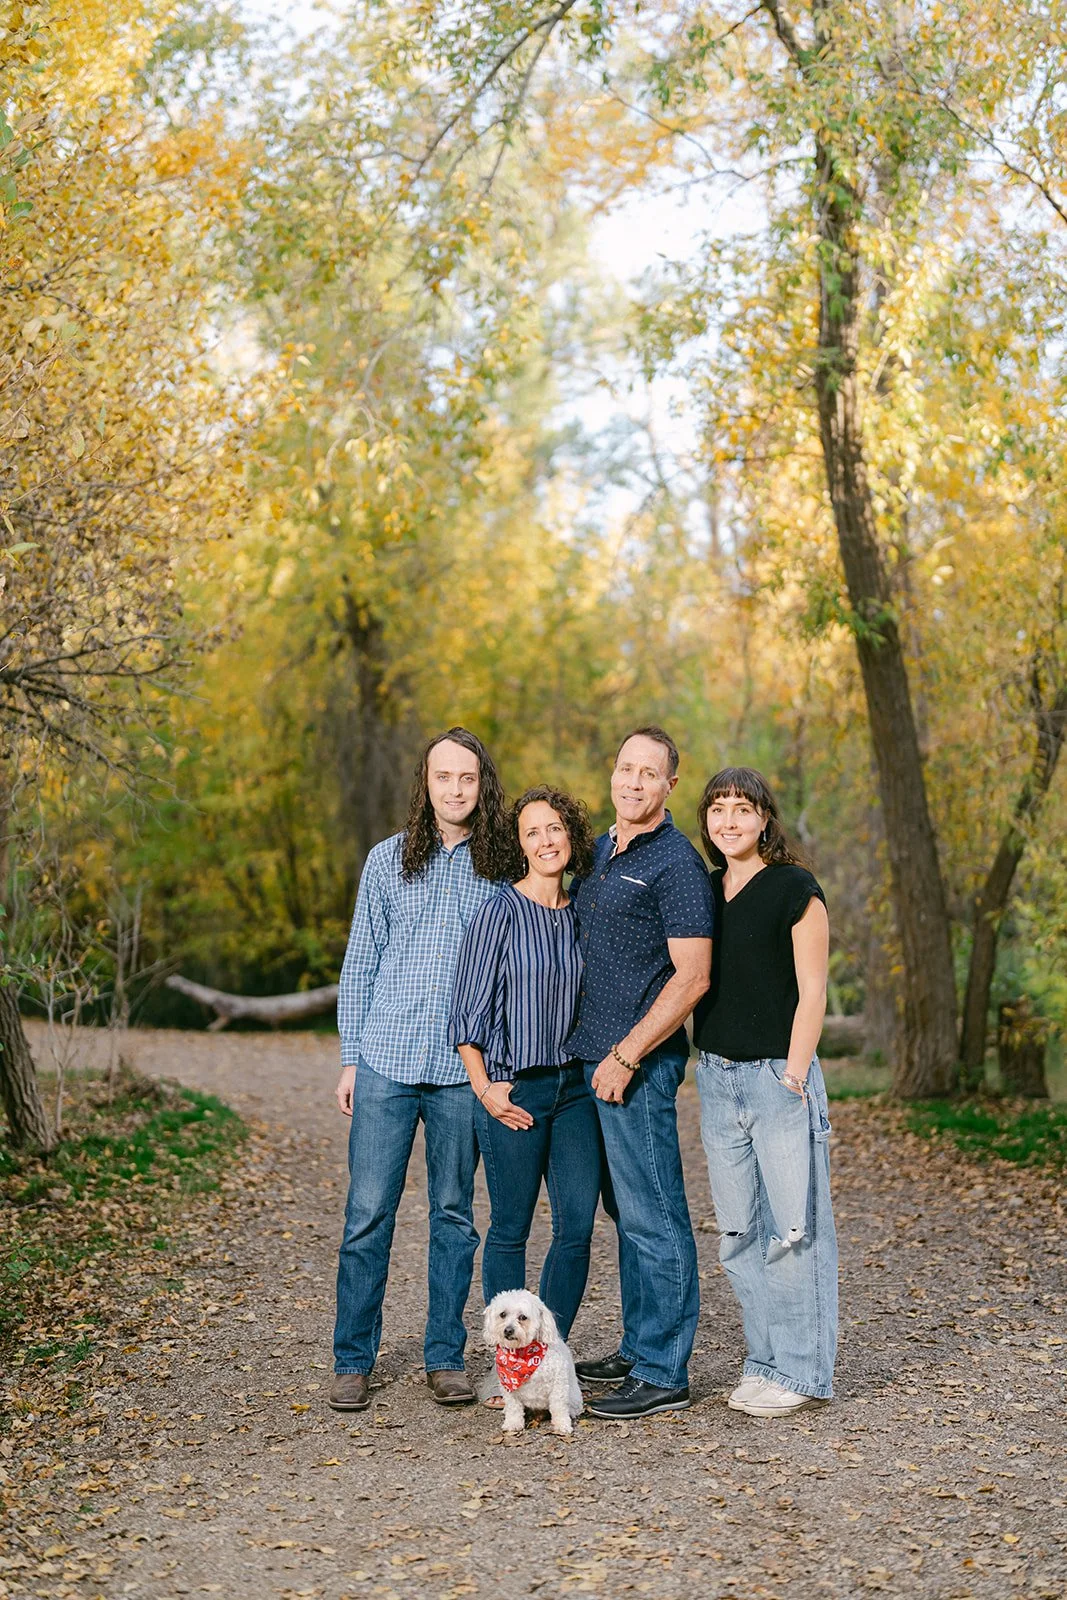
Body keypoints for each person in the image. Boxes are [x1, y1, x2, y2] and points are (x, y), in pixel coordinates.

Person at [330, 727, 509, 1413]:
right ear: (426, 783)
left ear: (481, 784)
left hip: (463, 1071)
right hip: (386, 1060)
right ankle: (352, 1359)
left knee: (454, 1216)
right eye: (443, 777)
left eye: (466, 778)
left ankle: (443, 1356)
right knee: (367, 1213)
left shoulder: (501, 867)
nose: (455, 789)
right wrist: (350, 1058)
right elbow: (360, 963)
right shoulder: (387, 860)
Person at [567, 726, 715, 1420]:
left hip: (637, 1068)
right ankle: (636, 1346)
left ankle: (663, 1371)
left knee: (655, 1215)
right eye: (625, 768)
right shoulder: (599, 850)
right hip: (590, 1067)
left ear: (669, 787)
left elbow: (691, 979)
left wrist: (628, 1055)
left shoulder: (676, 866)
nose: (633, 782)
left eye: (648, 773)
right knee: (626, 1214)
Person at [692, 765, 837, 1417]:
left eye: (741, 808)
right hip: (717, 1079)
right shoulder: (702, 891)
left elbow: (812, 991)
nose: (728, 820)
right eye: (717, 807)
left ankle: (802, 1373)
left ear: (764, 819)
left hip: (778, 1076)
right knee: (739, 1234)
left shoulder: (792, 888)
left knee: (792, 1231)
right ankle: (765, 1360)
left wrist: (796, 1074)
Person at [449, 786, 600, 1368]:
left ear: (571, 836)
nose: (545, 840)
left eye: (555, 828)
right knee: (510, 1227)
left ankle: (547, 1356)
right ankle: (507, 1364)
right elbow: (467, 1009)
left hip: (576, 1091)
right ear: (520, 844)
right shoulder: (499, 910)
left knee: (576, 1227)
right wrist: (485, 1088)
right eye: (533, 831)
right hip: (515, 1089)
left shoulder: (584, 909)